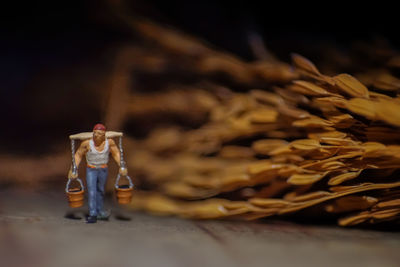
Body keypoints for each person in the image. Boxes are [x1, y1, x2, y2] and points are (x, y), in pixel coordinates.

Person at [68, 123, 127, 223]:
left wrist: (121, 165)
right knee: (92, 191)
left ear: (104, 135)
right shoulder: (87, 143)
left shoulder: (110, 142)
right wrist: (73, 169)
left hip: (103, 169)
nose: (96, 135)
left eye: (99, 134)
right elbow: (78, 155)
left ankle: (100, 211)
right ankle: (93, 214)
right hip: (91, 169)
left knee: (100, 191)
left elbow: (116, 153)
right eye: (94, 133)